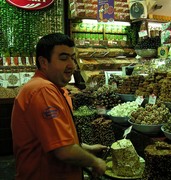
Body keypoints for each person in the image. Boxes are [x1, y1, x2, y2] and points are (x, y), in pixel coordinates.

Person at [11, 33, 107, 180]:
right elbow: (64, 150)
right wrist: (95, 162)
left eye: (73, 58)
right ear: (44, 62)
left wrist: (87, 149)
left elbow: (55, 138)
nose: (72, 65)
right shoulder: (43, 90)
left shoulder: (51, 88)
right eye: (63, 58)